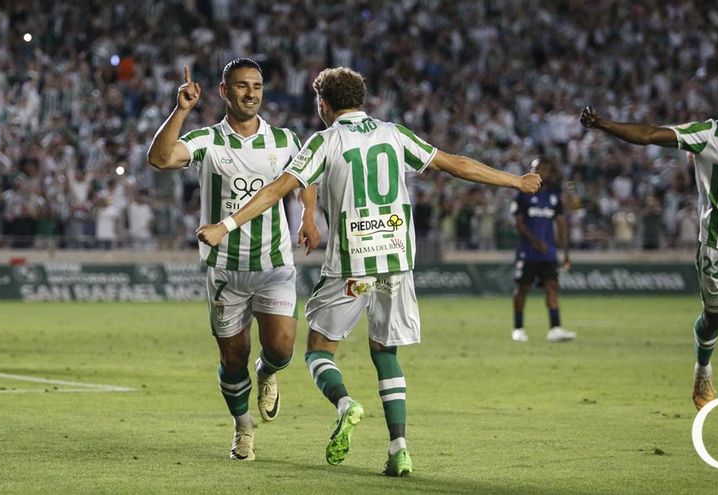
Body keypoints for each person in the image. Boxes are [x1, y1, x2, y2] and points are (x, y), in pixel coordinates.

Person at [196, 67, 541, 476]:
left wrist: (225, 224)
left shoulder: (324, 142)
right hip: (396, 262)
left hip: (351, 264)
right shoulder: (394, 133)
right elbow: (455, 164)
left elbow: (276, 190)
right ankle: (399, 448)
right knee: (386, 352)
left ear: (323, 104)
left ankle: (345, 403)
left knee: (318, 351)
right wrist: (515, 181)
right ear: (361, 99)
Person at [580, 63, 718, 444]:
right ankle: (703, 366)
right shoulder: (705, 134)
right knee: (713, 321)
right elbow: (650, 134)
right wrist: (604, 125)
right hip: (716, 248)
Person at [147, 58, 320, 461]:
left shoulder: (285, 140)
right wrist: (181, 110)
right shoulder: (207, 140)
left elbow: (305, 179)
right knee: (232, 356)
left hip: (274, 263)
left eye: (257, 86)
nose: (251, 93)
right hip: (225, 269)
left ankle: (268, 373)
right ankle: (243, 429)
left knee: (280, 349)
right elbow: (160, 159)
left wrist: (308, 215)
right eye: (242, 86)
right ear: (225, 92)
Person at [511, 158, 574, 343]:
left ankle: (555, 328)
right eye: (537, 169)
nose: (541, 172)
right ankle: (518, 328)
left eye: (544, 169)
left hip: (548, 253)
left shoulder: (554, 196)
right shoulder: (522, 194)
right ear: (531, 170)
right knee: (522, 288)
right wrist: (535, 241)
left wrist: (566, 253)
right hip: (527, 252)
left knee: (552, 287)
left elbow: (561, 226)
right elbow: (518, 223)